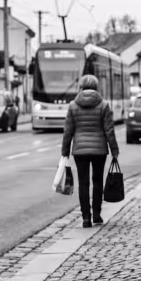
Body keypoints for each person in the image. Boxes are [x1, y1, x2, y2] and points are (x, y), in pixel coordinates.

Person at [61, 75, 119, 228]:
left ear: (81, 87)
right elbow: (109, 130)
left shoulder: (73, 105)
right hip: (99, 149)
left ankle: (86, 218)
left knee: (83, 183)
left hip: (80, 150)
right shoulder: (104, 105)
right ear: (96, 87)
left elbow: (68, 131)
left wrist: (65, 151)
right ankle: (97, 214)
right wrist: (114, 150)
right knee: (97, 181)